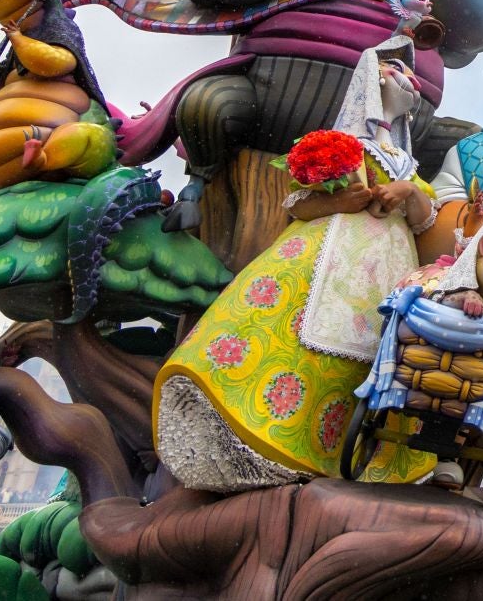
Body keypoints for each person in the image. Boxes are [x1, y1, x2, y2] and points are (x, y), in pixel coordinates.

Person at [151, 36, 439, 491]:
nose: (410, 79)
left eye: (410, 73)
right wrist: (346, 199)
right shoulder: (345, 144)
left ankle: (354, 452)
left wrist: (408, 193)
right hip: (332, 251)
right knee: (306, 336)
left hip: (390, 264)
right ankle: (275, 440)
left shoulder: (405, 160)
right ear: (371, 78)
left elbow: (424, 221)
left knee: (376, 353)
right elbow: (297, 207)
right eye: (397, 70)